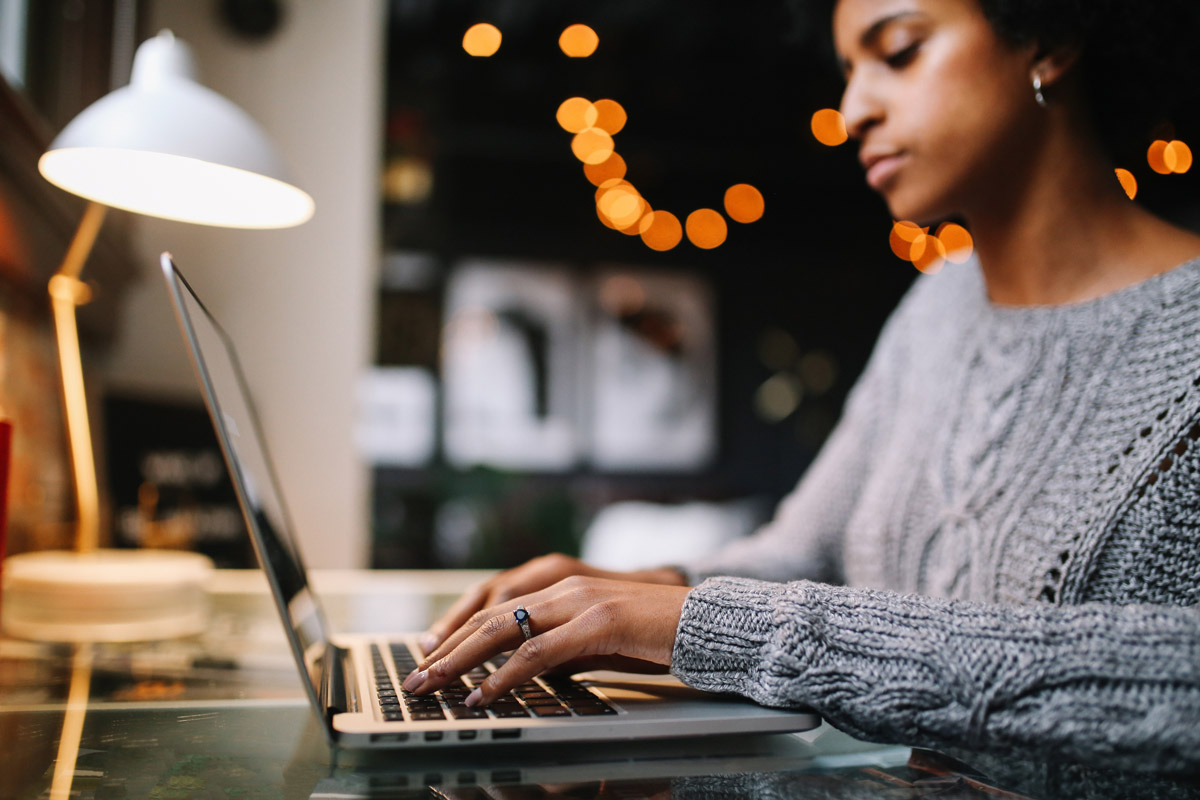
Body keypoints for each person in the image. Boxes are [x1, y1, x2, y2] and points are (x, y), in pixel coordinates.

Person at [404, 0, 1200, 773]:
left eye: (898, 51)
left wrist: (719, 625)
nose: (852, 108)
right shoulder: (938, 308)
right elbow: (805, 553)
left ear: (1048, 38)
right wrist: (640, 595)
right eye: (848, 71)